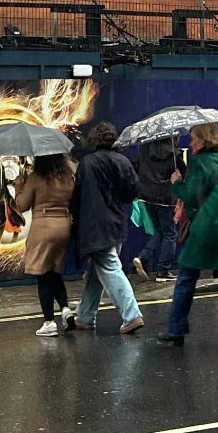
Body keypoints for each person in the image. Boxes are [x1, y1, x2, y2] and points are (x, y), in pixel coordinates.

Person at [157, 123, 218, 352]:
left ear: (203, 140)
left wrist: (176, 184)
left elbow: (191, 197)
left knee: (186, 278)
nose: (190, 143)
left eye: (193, 139)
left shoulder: (197, 163)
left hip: (205, 227)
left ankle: (176, 329)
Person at [63, 122, 144, 334]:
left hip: (95, 226)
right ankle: (85, 316)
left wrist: (73, 220)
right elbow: (132, 192)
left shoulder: (88, 163)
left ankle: (132, 314)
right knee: (96, 272)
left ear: (94, 140)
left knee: (109, 268)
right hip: (116, 224)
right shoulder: (122, 161)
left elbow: (78, 197)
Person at [12, 153, 76, 337]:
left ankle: (49, 322)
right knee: (54, 271)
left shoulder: (36, 177)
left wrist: (19, 187)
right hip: (64, 226)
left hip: (43, 227)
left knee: (42, 274)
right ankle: (65, 309)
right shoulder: (67, 177)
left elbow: (22, 205)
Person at [132, 136, 181, 283]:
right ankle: (163, 270)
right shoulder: (173, 154)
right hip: (166, 198)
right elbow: (183, 172)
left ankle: (143, 257)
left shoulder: (145, 149)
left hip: (147, 197)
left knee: (159, 231)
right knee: (170, 234)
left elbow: (135, 167)